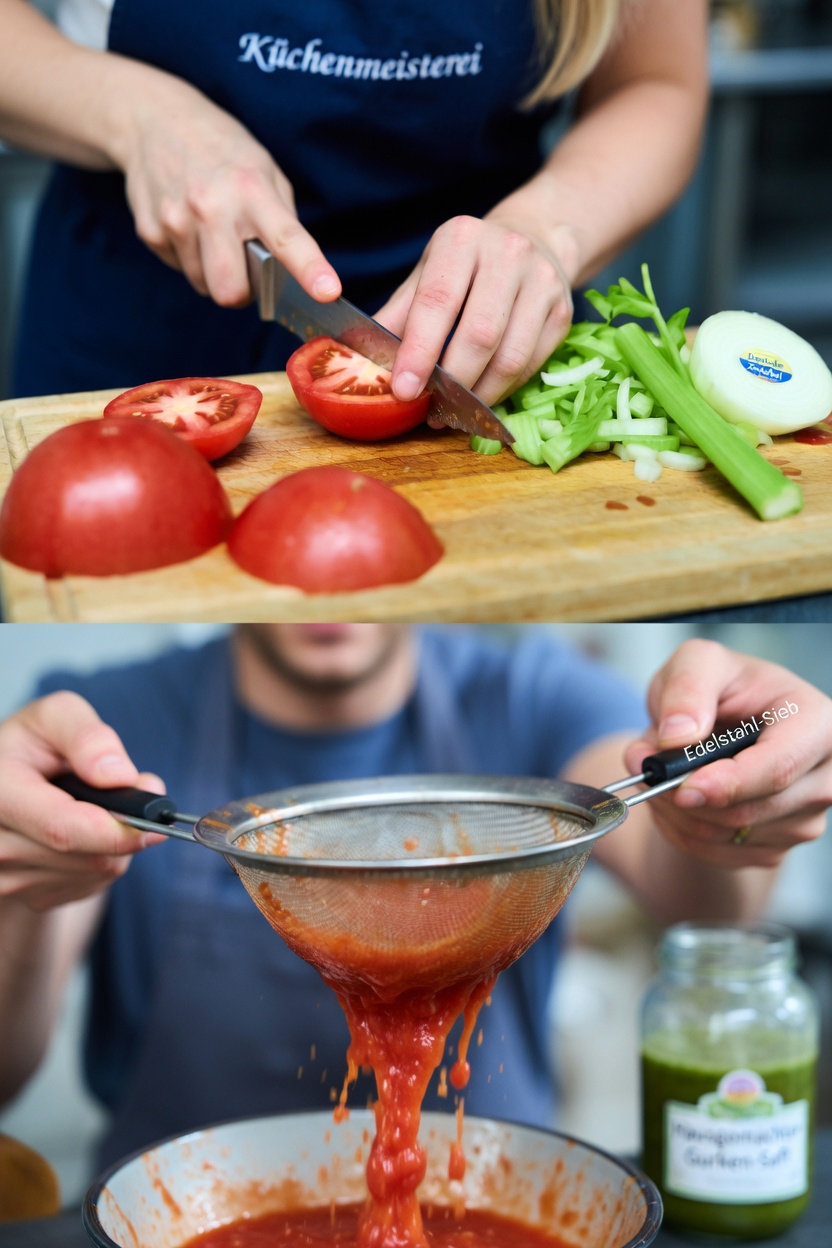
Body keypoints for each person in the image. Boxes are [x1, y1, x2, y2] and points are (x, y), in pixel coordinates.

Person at [0, 624, 829, 1174]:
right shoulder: (112, 732)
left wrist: (731, 810)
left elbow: (709, 912)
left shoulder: (534, 693)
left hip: (497, 1192)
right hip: (175, 1211)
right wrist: (12, 892)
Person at [1, 1, 708, 401]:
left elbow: (655, 83)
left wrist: (549, 231)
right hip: (137, 327)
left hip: (483, 335)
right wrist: (137, 113)